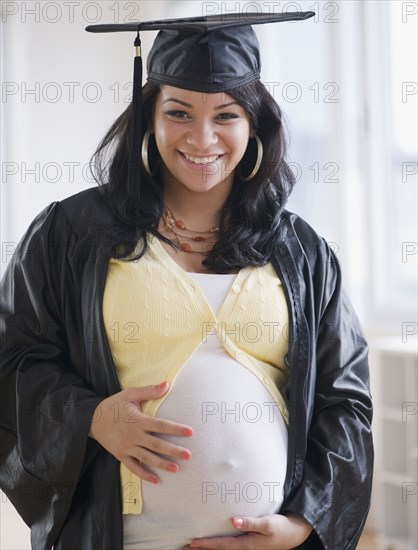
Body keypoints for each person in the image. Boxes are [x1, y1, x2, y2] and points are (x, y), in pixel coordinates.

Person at [0, 12, 373, 550]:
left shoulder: (299, 249)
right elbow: (13, 358)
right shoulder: (74, 232)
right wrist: (91, 417)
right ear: (149, 117)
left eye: (226, 114)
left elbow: (346, 402)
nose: (203, 138)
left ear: (255, 124)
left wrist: (302, 525)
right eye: (179, 112)